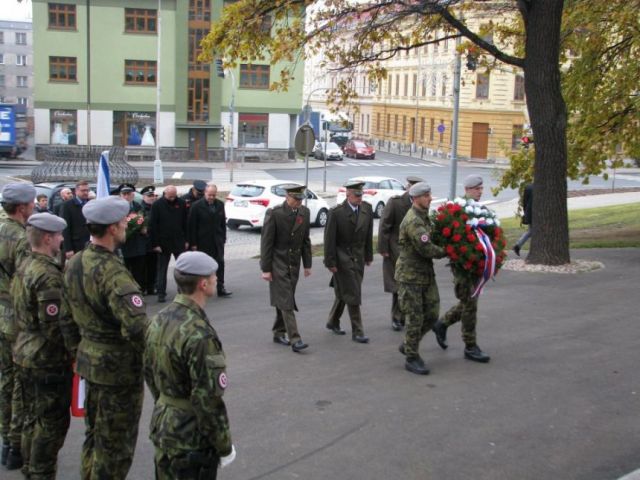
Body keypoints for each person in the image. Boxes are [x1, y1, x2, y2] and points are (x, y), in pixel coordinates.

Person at [61, 196, 149, 480]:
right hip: (118, 372)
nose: (126, 223)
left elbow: (65, 317)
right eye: (123, 220)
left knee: (95, 436)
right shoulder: (113, 273)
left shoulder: (75, 262)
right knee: (115, 447)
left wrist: (77, 352)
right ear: (112, 228)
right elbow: (137, 329)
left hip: (89, 363)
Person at [144, 251, 235, 479]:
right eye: (214, 276)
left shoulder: (158, 319)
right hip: (190, 438)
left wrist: (168, 403)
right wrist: (223, 445)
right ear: (203, 284)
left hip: (164, 425)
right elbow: (208, 400)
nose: (216, 279)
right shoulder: (199, 334)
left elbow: (149, 371)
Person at [12, 213, 71, 478]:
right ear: (48, 238)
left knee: (30, 418)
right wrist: (74, 350)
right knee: (50, 424)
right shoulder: (47, 276)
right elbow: (53, 327)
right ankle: (40, 472)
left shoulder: (25, 264)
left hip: (24, 351)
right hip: (45, 359)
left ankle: (29, 466)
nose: (60, 239)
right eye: (58, 235)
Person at [433, 174, 491, 363]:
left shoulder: (481, 210)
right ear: (467, 190)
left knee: (468, 303)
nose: (480, 192)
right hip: (463, 267)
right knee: (470, 306)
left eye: (481, 188)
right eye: (477, 189)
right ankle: (470, 346)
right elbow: (448, 237)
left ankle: (442, 324)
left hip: (476, 266)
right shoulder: (458, 210)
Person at [0, 183, 35, 470]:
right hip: (15, 318)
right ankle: (14, 444)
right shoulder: (21, 239)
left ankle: (6, 440)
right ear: (22, 207)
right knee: (19, 385)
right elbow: (27, 283)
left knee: (5, 380)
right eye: (32, 203)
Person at [396, 183, 447, 375]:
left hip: (425, 274)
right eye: (426, 196)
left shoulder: (423, 217)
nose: (430, 198)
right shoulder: (413, 221)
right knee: (415, 317)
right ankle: (412, 357)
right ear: (415, 198)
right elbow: (426, 248)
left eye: (430, 195)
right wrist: (448, 251)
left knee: (433, 313)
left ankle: (409, 343)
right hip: (410, 277)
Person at [260, 185, 312, 353]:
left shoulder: (304, 213)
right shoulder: (275, 213)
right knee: (287, 301)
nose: (299, 202)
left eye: (300, 199)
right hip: (278, 263)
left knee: (283, 300)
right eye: (296, 199)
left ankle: (278, 332)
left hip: (294, 264)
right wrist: (266, 269)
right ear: (287, 197)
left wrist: (308, 264)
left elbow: (305, 240)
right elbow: (266, 243)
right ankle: (295, 339)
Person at [324, 180, 374, 344]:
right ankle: (358, 331)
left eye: (361, 194)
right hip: (342, 258)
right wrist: (330, 262)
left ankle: (333, 321)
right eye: (356, 195)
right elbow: (329, 240)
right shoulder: (337, 213)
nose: (360, 198)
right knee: (353, 292)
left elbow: (368, 235)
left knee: (344, 292)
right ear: (348, 194)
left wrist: (368, 255)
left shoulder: (366, 209)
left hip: (358, 258)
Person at [378, 175, 423, 331]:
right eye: (413, 187)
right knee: (398, 286)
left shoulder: (421, 205)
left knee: (411, 286)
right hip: (395, 250)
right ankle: (397, 318)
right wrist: (383, 249)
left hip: (414, 251)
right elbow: (384, 225)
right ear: (408, 187)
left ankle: (405, 316)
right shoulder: (395, 203)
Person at [188, 184, 232, 297]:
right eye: (209, 195)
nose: (211, 197)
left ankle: (220, 287)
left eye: (213, 195)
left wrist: (223, 238)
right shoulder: (196, 206)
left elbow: (222, 223)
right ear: (205, 193)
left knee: (220, 264)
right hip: (202, 242)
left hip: (217, 241)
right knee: (203, 267)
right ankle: (202, 289)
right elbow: (192, 226)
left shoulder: (220, 204)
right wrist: (193, 243)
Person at [149, 185, 188, 303]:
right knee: (162, 269)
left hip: (179, 241)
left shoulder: (181, 203)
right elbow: (153, 225)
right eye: (170, 196)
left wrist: (186, 240)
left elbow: (186, 222)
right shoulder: (157, 205)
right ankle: (161, 293)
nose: (172, 199)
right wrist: (155, 244)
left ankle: (183, 291)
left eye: (174, 196)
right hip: (163, 242)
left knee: (182, 269)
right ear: (165, 194)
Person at [118, 184, 147, 290]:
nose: (126, 196)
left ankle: (138, 289)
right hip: (124, 244)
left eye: (128, 194)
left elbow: (143, 218)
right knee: (124, 270)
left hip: (138, 244)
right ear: (120, 196)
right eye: (124, 194)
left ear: (132, 195)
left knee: (138, 270)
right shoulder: (117, 208)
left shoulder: (138, 206)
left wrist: (144, 227)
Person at [59, 180, 91, 260]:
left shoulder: (90, 204)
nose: (86, 192)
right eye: (83, 190)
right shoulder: (67, 205)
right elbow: (65, 228)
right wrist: (68, 248)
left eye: (87, 190)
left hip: (89, 245)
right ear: (76, 191)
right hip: (76, 245)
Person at [139, 186, 158, 295]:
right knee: (143, 267)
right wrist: (142, 228)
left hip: (154, 241)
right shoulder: (140, 209)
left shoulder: (156, 207)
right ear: (144, 197)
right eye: (149, 196)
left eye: (153, 196)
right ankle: (144, 287)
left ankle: (152, 286)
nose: (152, 198)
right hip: (144, 241)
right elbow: (137, 222)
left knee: (153, 266)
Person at [514, 183, 533, 256]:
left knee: (531, 231)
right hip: (533, 213)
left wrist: (526, 212)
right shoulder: (540, 187)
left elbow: (525, 201)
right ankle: (517, 246)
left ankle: (518, 245)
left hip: (529, 212)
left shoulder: (528, 187)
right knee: (532, 231)